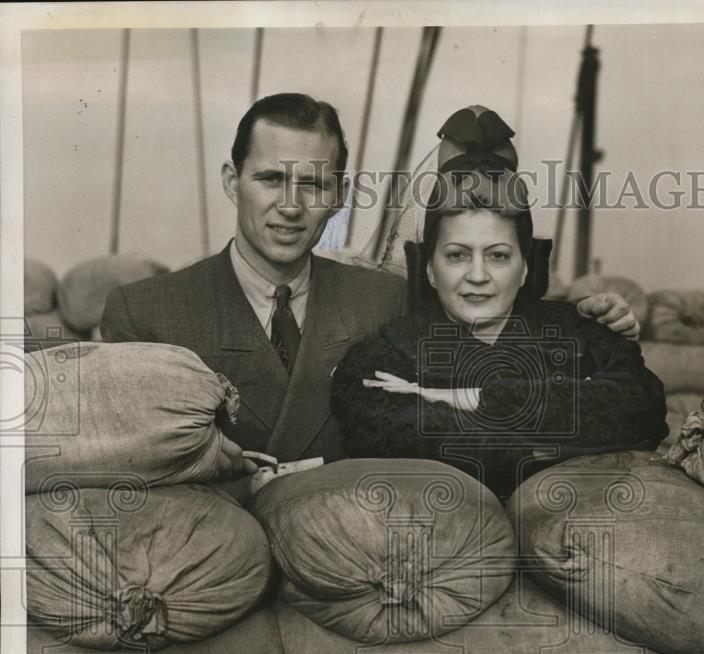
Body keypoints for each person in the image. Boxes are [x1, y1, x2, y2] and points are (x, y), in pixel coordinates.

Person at [101, 93, 642, 467]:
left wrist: (596, 322)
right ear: (231, 180)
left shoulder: (389, 298)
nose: (291, 206)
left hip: (359, 551)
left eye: (314, 184)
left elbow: (494, 298)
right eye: (270, 178)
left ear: (339, 194)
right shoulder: (146, 312)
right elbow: (131, 460)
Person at [331, 106, 668, 500]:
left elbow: (644, 408)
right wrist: (564, 422)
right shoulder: (382, 356)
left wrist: (468, 399)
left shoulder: (585, 334)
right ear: (428, 269)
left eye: (498, 255)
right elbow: (389, 433)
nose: (478, 275)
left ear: (526, 266)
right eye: (457, 255)